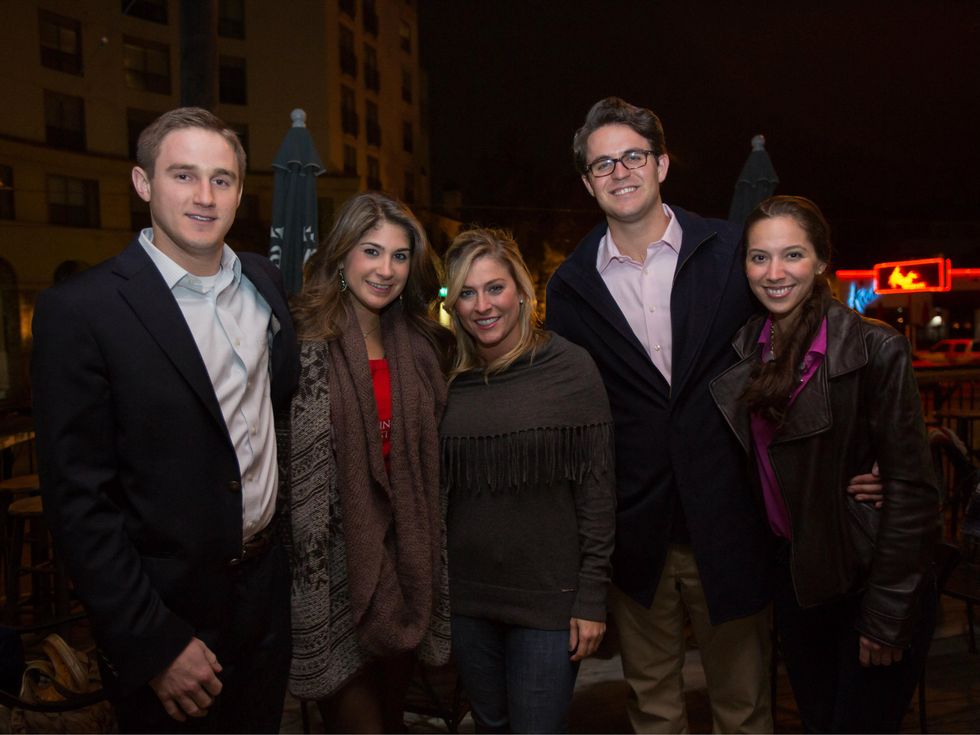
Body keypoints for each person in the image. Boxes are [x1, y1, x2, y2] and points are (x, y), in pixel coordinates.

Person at [545, 97, 883, 733]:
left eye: (633, 156)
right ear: (589, 182)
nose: (619, 172)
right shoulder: (569, 287)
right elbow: (569, 413)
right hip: (636, 537)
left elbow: (814, 340)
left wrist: (864, 454)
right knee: (654, 711)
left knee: (745, 708)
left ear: (662, 163)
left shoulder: (732, 251)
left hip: (733, 526)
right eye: (602, 164)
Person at [31, 107, 299, 733]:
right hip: (168, 614)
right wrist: (151, 643)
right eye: (183, 176)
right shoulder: (82, 311)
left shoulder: (264, 282)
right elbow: (78, 503)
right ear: (143, 183)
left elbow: (273, 408)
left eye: (222, 179)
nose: (205, 197)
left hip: (263, 597)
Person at [710, 195, 939, 733]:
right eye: (759, 257)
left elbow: (912, 493)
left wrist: (886, 617)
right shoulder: (746, 352)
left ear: (820, 262)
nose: (775, 272)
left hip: (869, 581)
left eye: (792, 255)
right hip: (800, 585)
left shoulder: (875, 349)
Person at [283, 191, 452, 733]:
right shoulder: (300, 341)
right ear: (341, 256)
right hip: (329, 566)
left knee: (392, 719)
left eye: (399, 256)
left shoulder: (424, 347)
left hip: (407, 567)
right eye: (371, 251)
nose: (385, 269)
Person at [440, 228, 616, 733]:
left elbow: (597, 491)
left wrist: (590, 597)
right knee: (490, 726)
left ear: (521, 290)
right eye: (467, 293)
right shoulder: (447, 375)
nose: (482, 305)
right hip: (468, 601)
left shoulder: (570, 368)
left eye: (494, 288)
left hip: (549, 602)